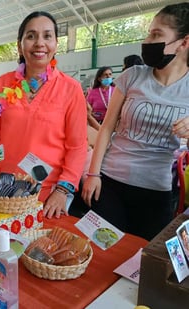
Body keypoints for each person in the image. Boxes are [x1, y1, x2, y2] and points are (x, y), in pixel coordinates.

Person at [82, 2, 189, 241]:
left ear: (184, 42)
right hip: (111, 183)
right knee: (101, 252)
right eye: (150, 33)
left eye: (157, 34)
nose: (149, 40)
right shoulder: (132, 76)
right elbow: (107, 127)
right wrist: (93, 174)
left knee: (142, 262)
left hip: (156, 192)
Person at [0, 11, 88, 219]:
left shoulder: (71, 88)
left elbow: (77, 146)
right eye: (31, 36)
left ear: (56, 44)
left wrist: (62, 191)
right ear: (20, 45)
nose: (39, 43)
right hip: (3, 189)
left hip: (49, 193)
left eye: (47, 36)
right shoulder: (3, 84)